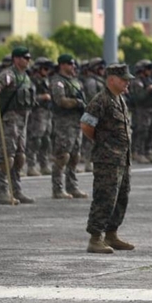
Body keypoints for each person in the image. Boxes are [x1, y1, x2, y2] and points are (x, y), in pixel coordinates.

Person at [80, 63, 135, 254]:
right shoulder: (100, 100)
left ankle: (111, 234)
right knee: (105, 198)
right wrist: (103, 143)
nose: (127, 82)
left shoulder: (119, 99)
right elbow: (86, 125)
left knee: (121, 197)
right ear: (111, 79)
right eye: (123, 79)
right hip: (107, 159)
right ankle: (95, 238)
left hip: (122, 159)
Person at [0, 46, 36, 205]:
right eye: (25, 58)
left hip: (23, 121)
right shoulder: (9, 74)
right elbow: (0, 84)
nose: (28, 60)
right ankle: (3, 191)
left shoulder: (26, 76)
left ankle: (16, 190)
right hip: (10, 120)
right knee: (7, 156)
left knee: (20, 157)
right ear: (16, 59)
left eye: (29, 58)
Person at [50, 54, 88, 199]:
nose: (73, 66)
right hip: (64, 123)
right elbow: (60, 101)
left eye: (73, 64)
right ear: (62, 65)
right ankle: (57, 188)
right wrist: (77, 103)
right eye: (70, 64)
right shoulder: (58, 82)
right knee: (62, 156)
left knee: (74, 156)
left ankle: (72, 186)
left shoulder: (75, 81)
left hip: (76, 122)